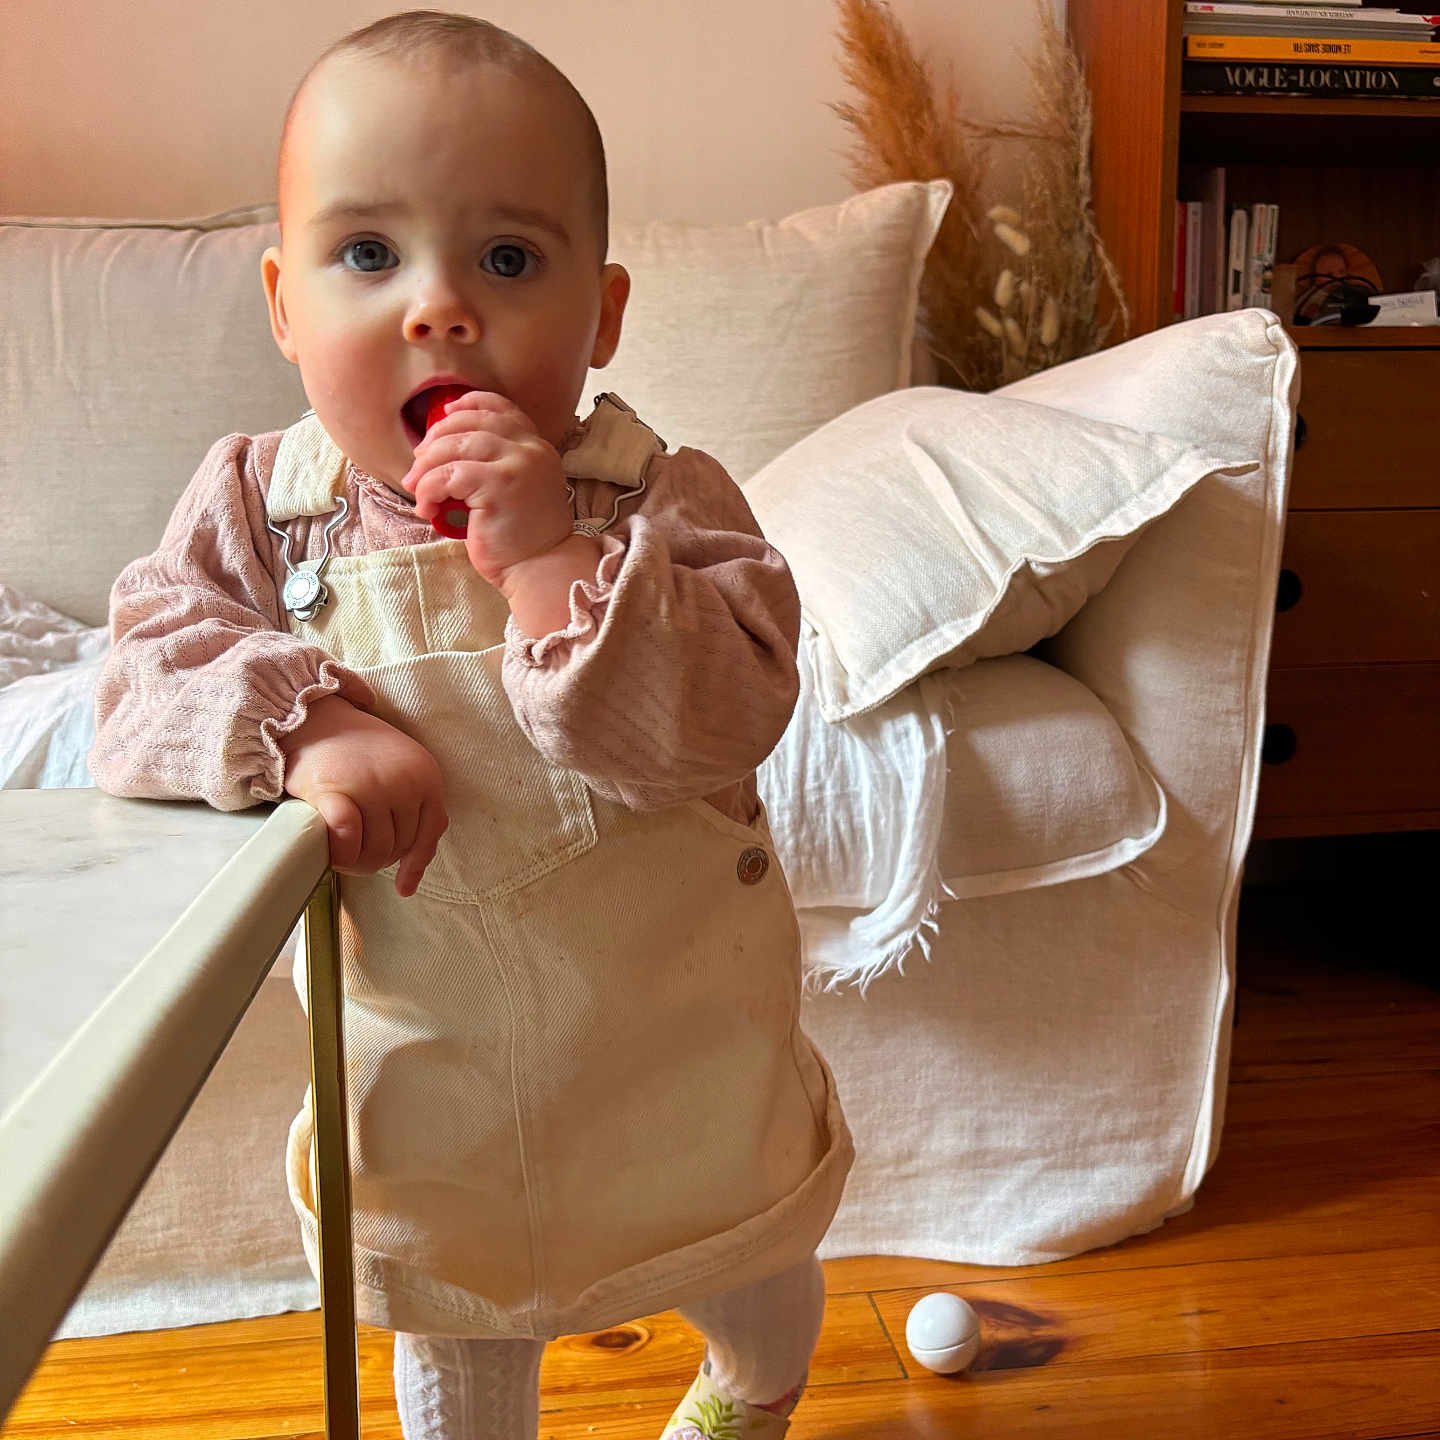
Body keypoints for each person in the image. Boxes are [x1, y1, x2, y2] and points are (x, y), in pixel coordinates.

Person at [89, 11, 852, 1439]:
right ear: (281, 301)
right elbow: (134, 682)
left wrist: (555, 558)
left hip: (674, 1041)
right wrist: (304, 721)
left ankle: (755, 1395)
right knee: (457, 1340)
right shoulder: (263, 509)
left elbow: (733, 712)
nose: (439, 306)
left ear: (604, 312)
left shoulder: (659, 496)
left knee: (753, 1274)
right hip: (430, 1072)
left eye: (507, 259)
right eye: (368, 255)